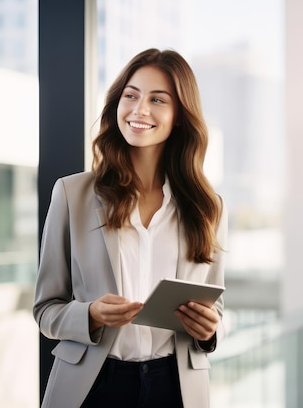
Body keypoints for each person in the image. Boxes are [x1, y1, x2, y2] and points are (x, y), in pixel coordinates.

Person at [33, 48, 227, 408]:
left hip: (177, 387)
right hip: (93, 385)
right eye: (131, 95)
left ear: (180, 116)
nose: (140, 109)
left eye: (158, 99)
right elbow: (45, 310)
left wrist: (211, 329)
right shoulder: (72, 194)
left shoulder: (207, 207)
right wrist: (90, 315)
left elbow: (218, 309)